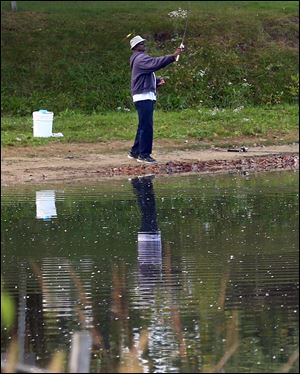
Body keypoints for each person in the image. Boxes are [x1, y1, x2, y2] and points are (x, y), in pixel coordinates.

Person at [128, 35, 182, 164]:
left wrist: (156, 81)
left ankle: (135, 152)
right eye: (141, 43)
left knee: (143, 125)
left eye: (143, 43)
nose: (144, 45)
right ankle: (144, 155)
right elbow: (155, 64)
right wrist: (173, 56)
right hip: (144, 96)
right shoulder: (140, 58)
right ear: (135, 47)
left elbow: (144, 75)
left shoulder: (137, 59)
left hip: (142, 95)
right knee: (147, 126)